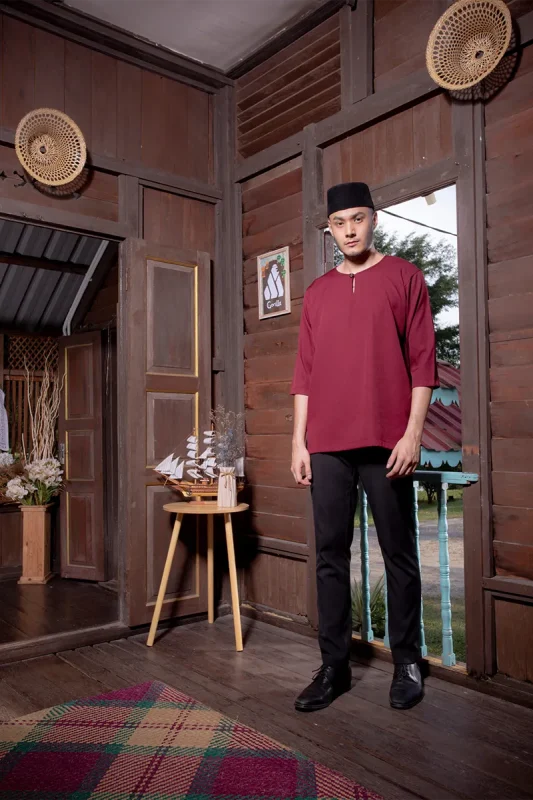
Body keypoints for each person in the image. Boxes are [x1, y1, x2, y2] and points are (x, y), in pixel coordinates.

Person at [290, 181, 438, 712]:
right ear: (329, 229)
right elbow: (304, 373)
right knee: (330, 556)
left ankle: (407, 662)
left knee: (398, 553)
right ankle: (333, 667)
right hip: (327, 442)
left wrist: (413, 433)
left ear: (374, 219)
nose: (349, 230)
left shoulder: (404, 277)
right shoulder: (317, 293)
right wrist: (299, 441)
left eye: (358, 219)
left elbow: (423, 362)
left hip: (386, 439)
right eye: (339, 223)